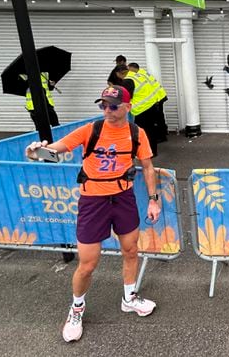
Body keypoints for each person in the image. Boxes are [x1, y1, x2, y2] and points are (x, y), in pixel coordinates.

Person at [25, 85, 161, 343]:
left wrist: (153, 201)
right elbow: (54, 151)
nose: (107, 111)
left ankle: (129, 298)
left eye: (113, 106)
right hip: (93, 201)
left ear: (127, 107)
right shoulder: (92, 130)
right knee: (87, 263)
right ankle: (76, 310)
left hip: (123, 198)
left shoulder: (137, 132)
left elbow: (147, 166)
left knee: (131, 251)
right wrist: (36, 151)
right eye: (103, 105)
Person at [116, 64, 164, 156]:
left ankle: (148, 153)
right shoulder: (137, 75)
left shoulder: (127, 81)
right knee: (151, 130)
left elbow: (125, 97)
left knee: (144, 132)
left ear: (119, 73)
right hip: (152, 104)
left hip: (143, 109)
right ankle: (153, 151)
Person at [128, 62, 169, 142]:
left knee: (157, 118)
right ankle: (162, 134)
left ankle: (161, 136)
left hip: (157, 97)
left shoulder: (139, 75)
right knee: (159, 117)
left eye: (130, 69)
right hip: (159, 95)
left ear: (133, 68)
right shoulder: (142, 73)